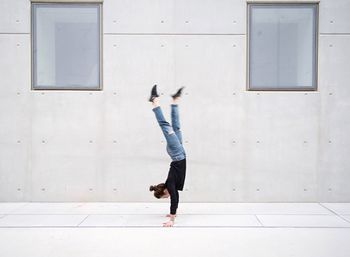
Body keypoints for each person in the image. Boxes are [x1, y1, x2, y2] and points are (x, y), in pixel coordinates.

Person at [148, 85, 187, 227]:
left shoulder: (170, 185)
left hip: (177, 153)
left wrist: (171, 219)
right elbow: (175, 197)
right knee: (176, 127)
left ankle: (154, 101)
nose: (168, 196)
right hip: (178, 153)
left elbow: (174, 199)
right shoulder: (171, 184)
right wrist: (172, 214)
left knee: (165, 126)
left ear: (164, 191)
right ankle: (175, 100)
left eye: (165, 196)